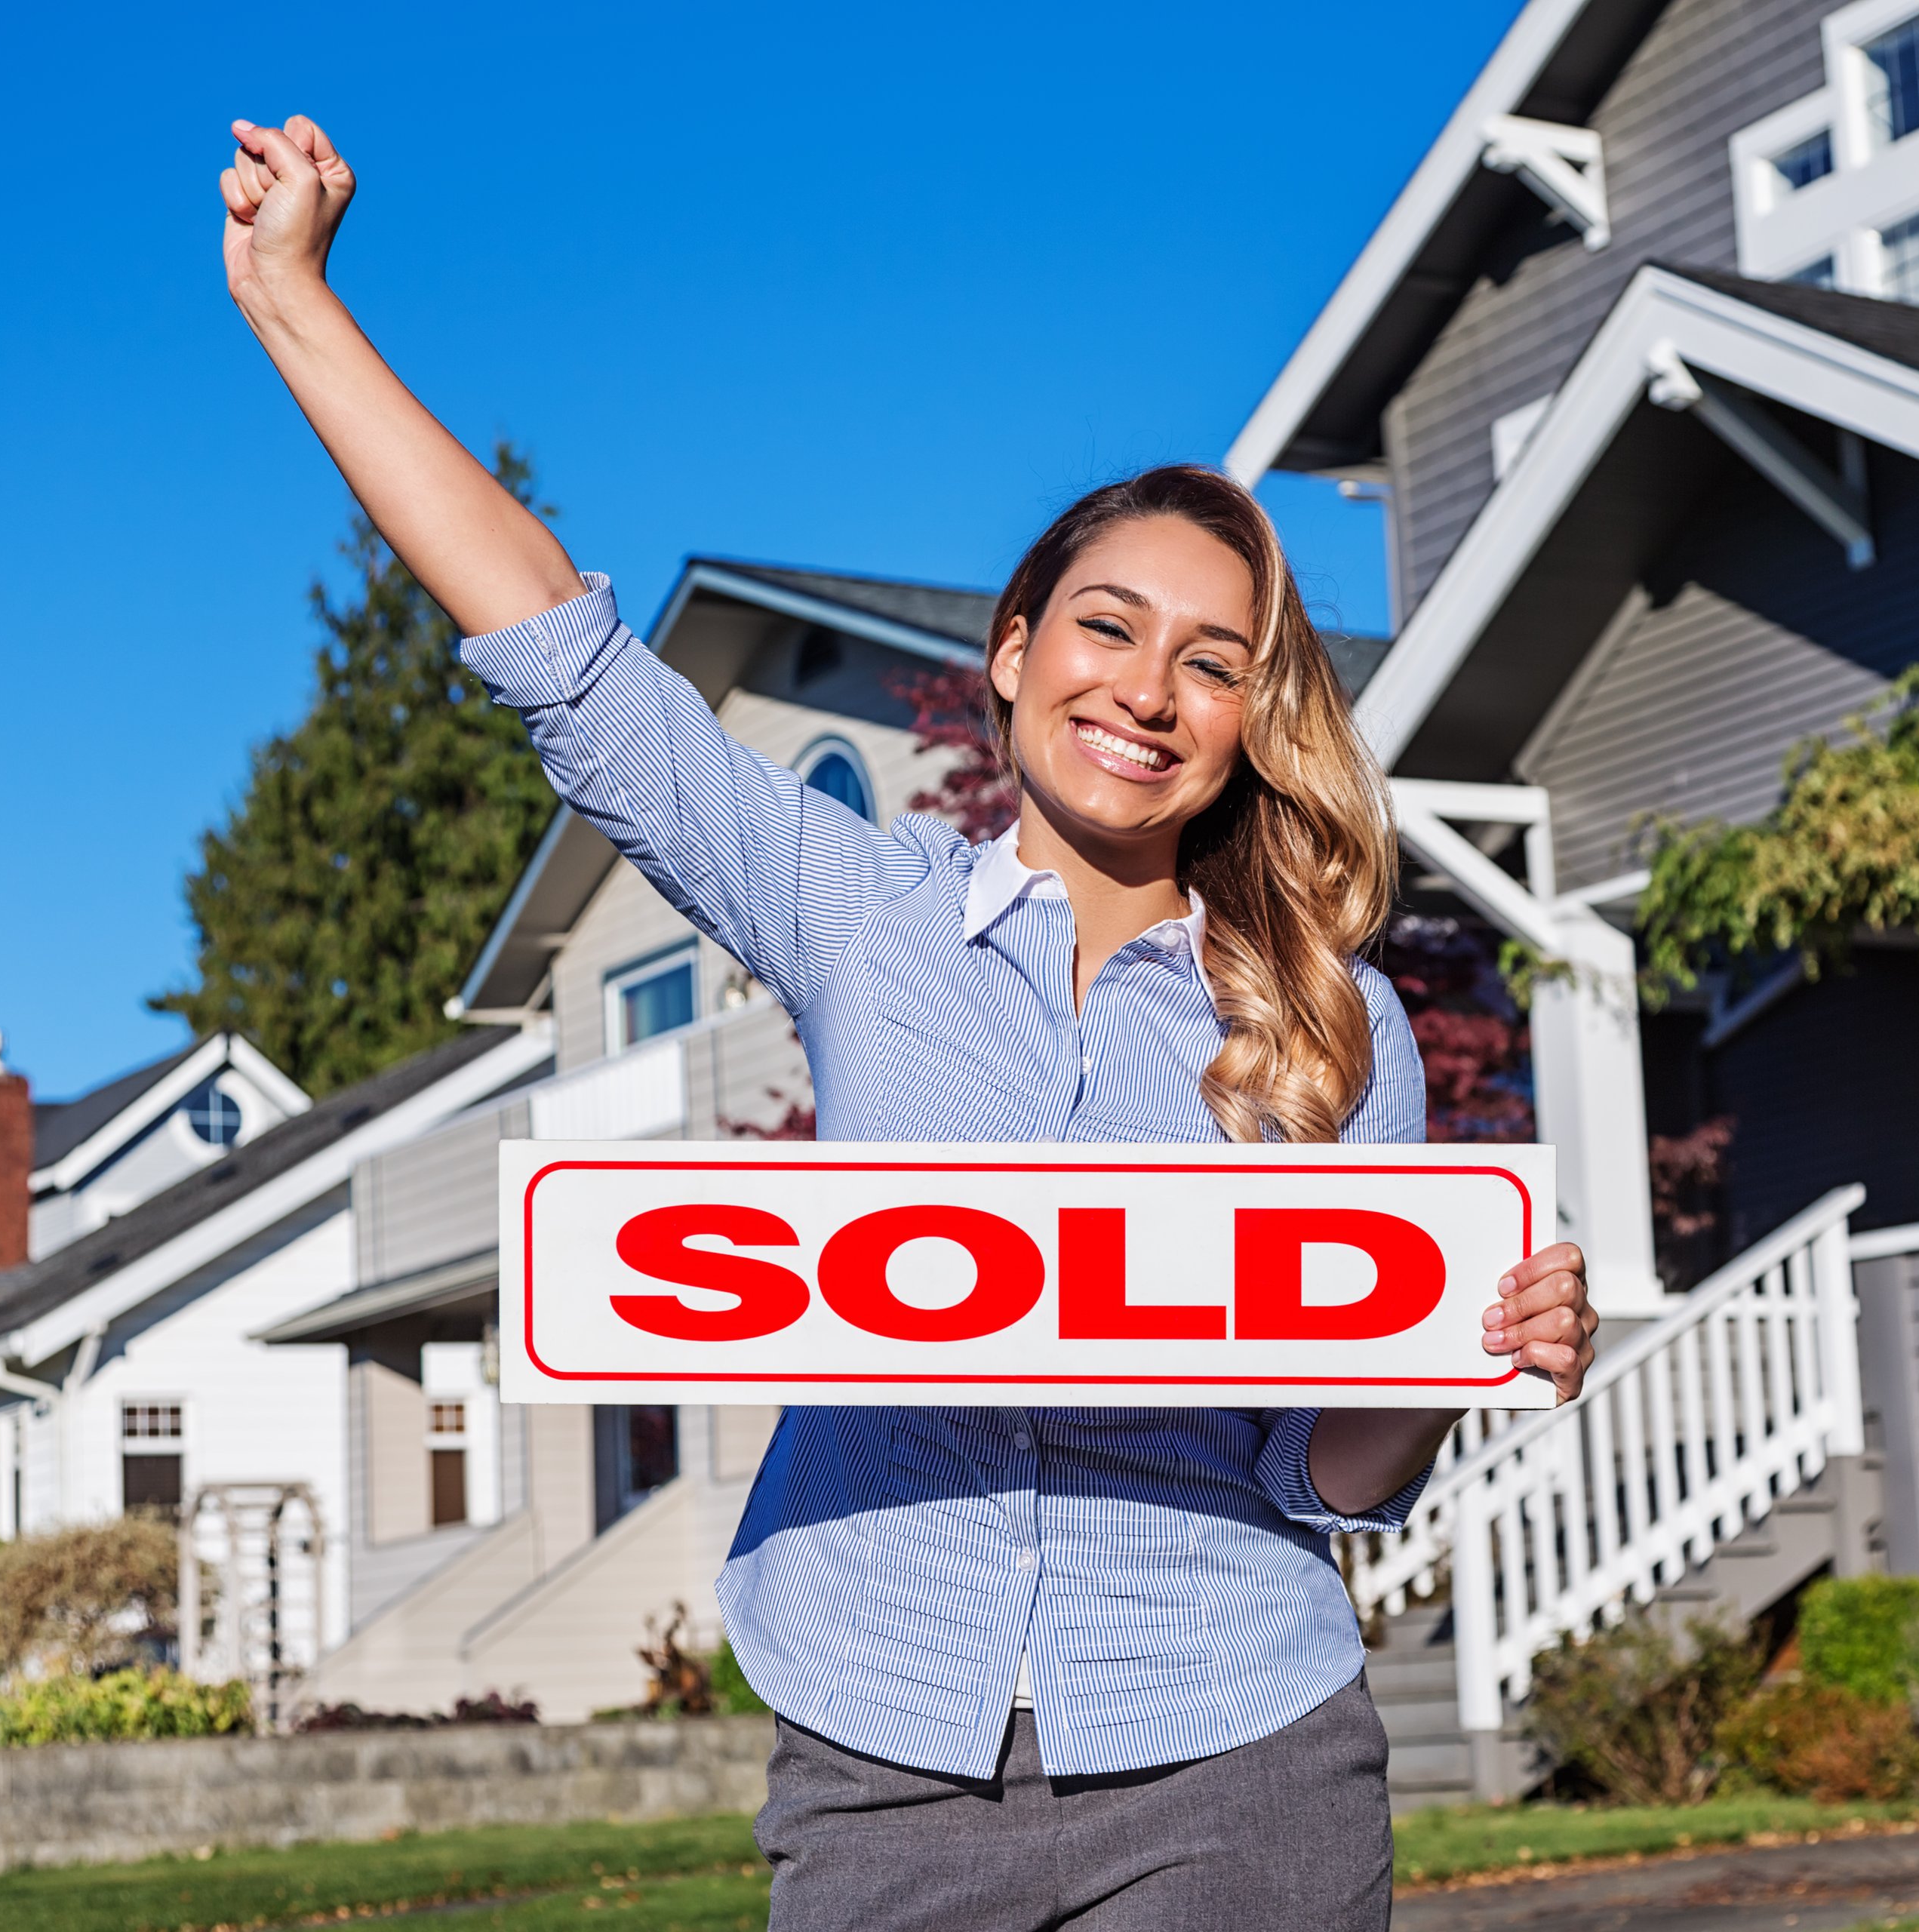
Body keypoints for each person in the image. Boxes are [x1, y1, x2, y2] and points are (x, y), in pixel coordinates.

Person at [217, 115, 1598, 1930]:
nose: (1152, 690)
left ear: (1253, 723)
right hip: (883, 1750)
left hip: (1237, 1748)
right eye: (1110, 627)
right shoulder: (854, 909)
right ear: (1014, 650)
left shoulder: (1332, 1033)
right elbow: (562, 650)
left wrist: (1451, 1359)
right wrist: (296, 303)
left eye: (1214, 662)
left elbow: (1323, 1472)